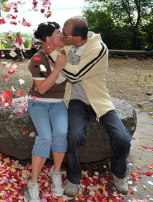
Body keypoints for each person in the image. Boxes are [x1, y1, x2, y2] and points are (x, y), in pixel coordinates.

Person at [42, 16, 131, 196]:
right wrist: (48, 44)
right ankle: (74, 177)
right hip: (76, 99)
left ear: (77, 38)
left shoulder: (99, 49)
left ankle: (119, 173)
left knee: (122, 138)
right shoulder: (69, 45)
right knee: (74, 136)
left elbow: (75, 75)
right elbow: (51, 46)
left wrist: (52, 54)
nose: (63, 37)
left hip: (98, 98)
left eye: (65, 34)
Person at [26, 22, 68, 201]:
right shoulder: (37, 59)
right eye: (59, 33)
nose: (63, 36)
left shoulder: (67, 54)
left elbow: (87, 36)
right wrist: (57, 68)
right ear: (49, 39)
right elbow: (41, 89)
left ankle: (56, 173)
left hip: (58, 102)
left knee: (60, 133)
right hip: (39, 102)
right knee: (45, 136)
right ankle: (33, 182)